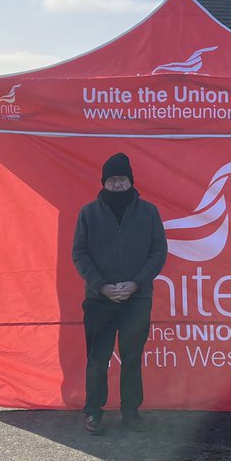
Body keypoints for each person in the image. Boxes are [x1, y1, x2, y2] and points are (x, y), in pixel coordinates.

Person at [71, 153, 167, 435]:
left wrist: (136, 283)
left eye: (121, 179)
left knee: (132, 358)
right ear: (103, 183)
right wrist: (101, 285)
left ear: (130, 181)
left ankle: (131, 412)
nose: (116, 184)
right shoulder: (88, 213)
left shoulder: (149, 212)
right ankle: (93, 413)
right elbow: (79, 253)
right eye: (111, 179)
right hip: (99, 300)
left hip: (136, 300)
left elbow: (158, 252)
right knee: (98, 359)